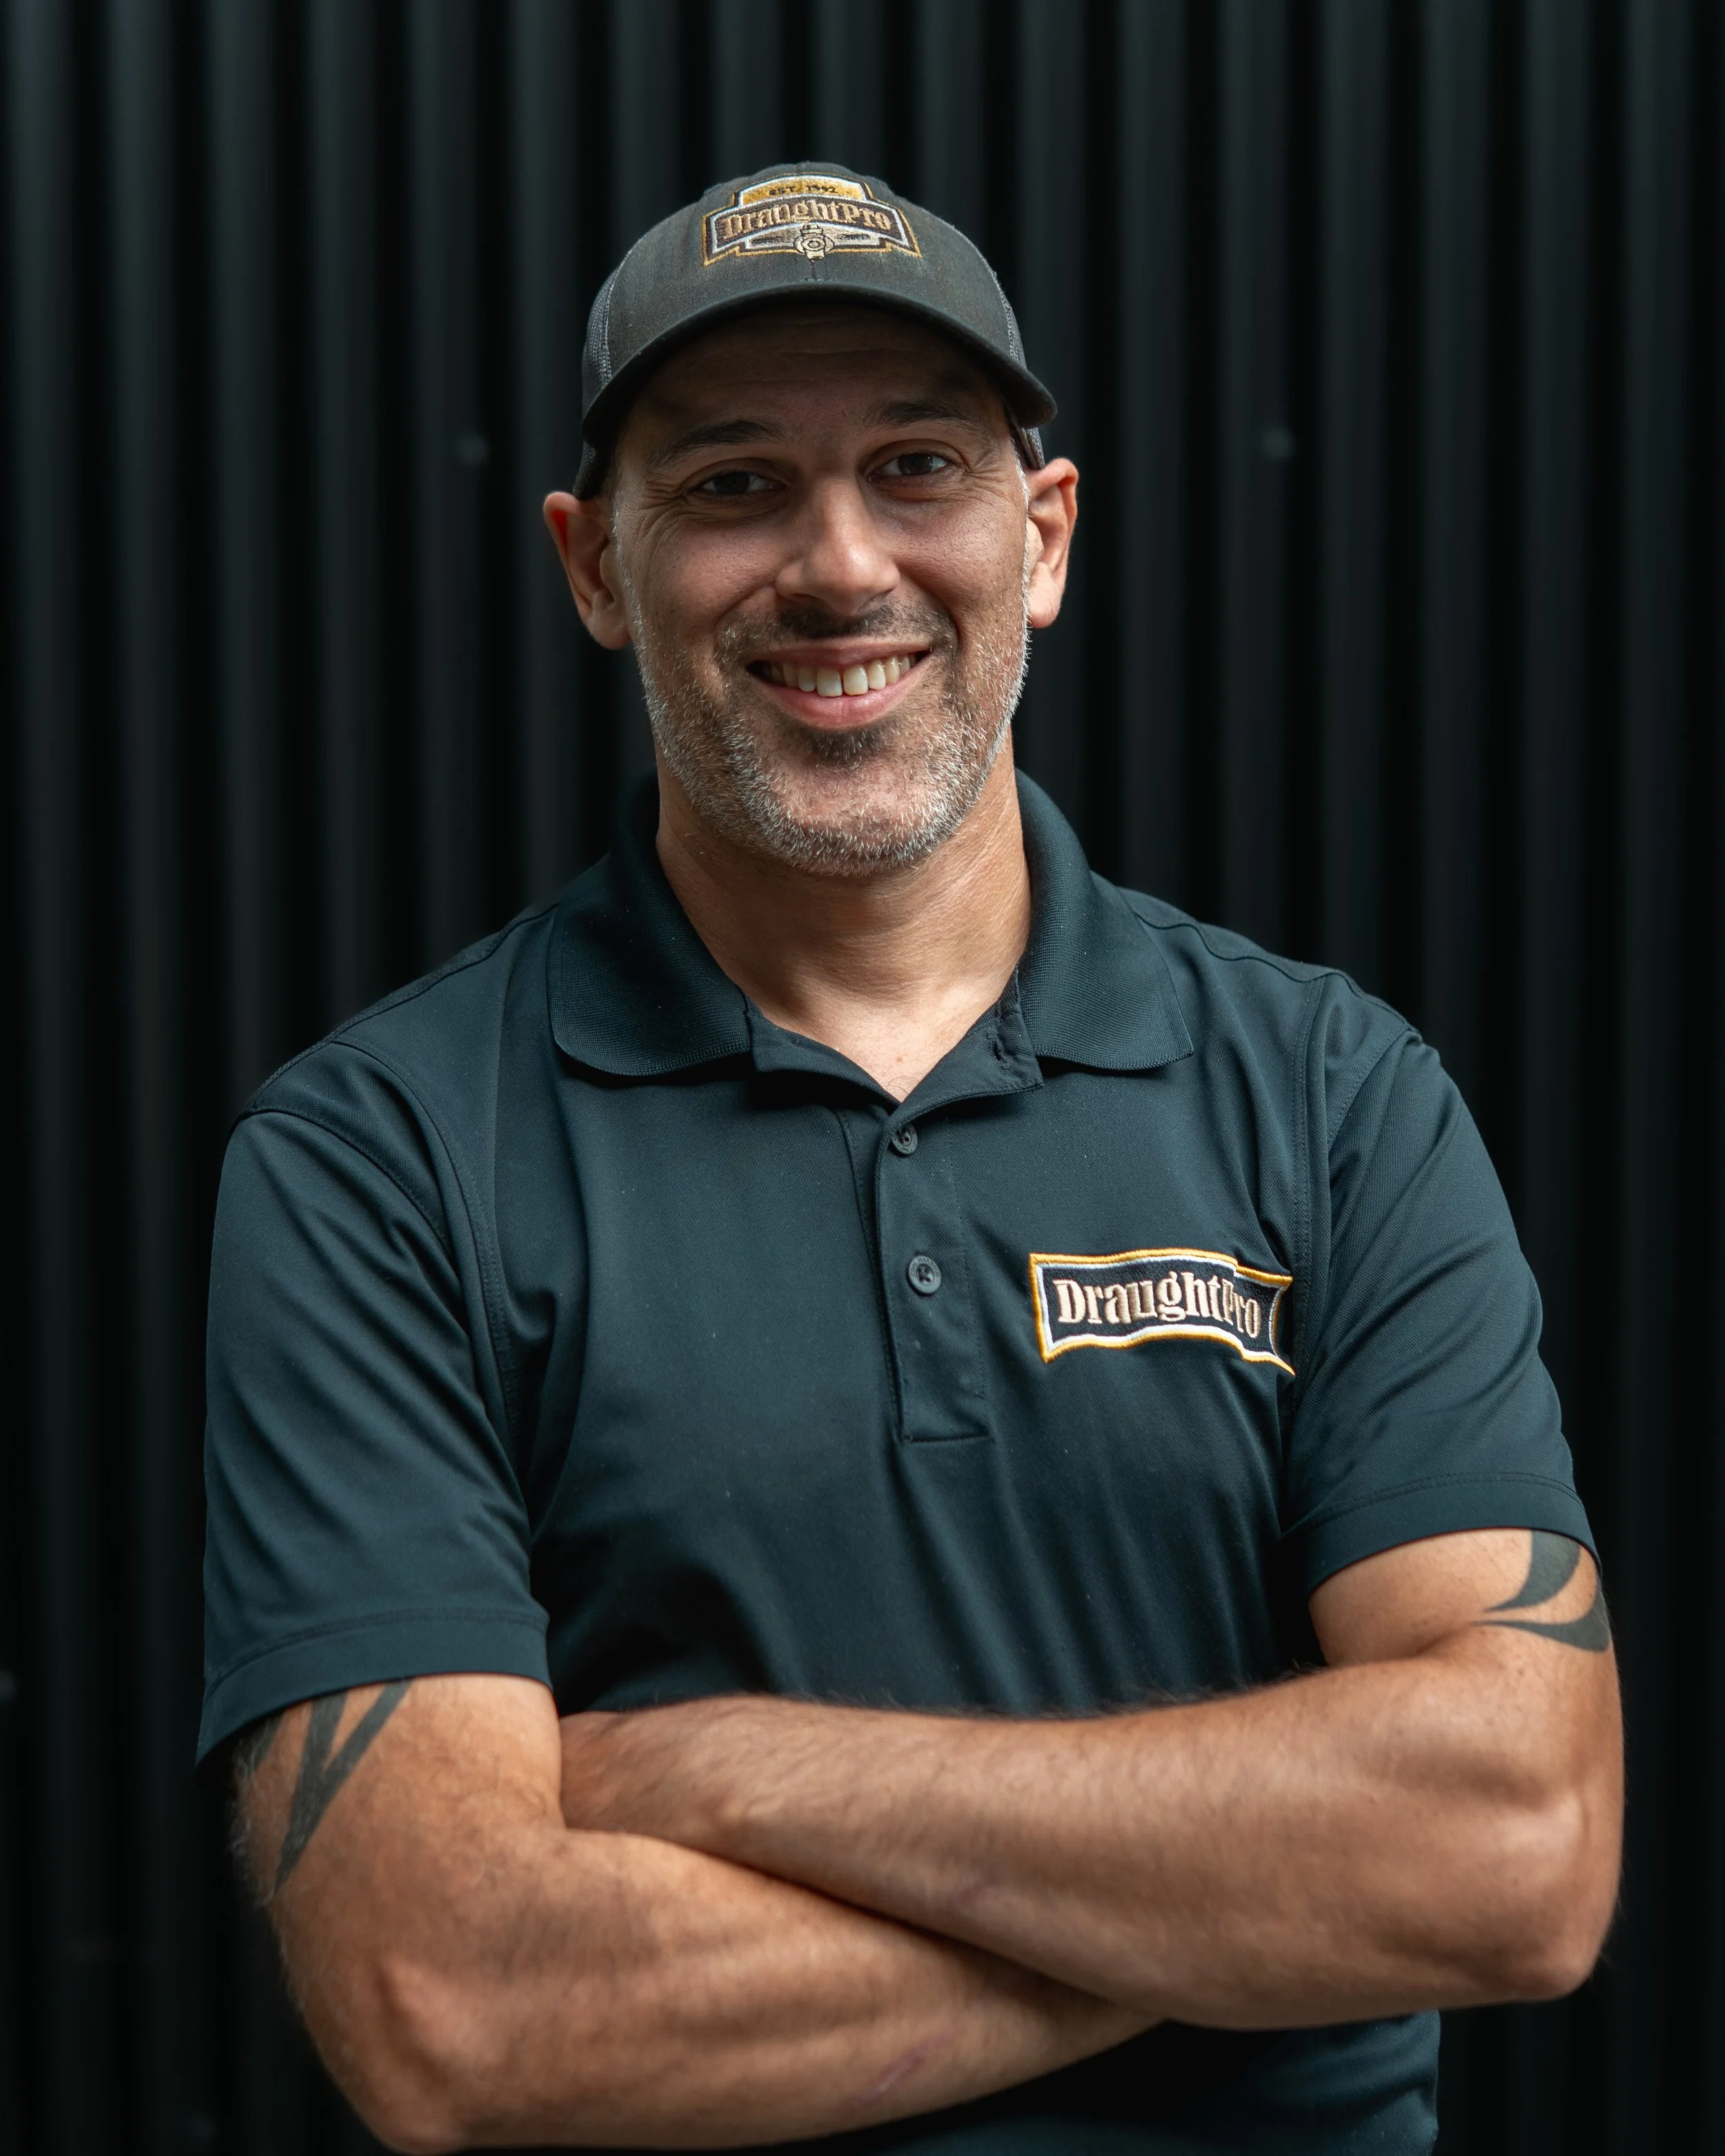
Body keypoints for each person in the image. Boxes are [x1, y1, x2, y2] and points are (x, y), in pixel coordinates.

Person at [202, 166, 1621, 2155]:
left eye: (918, 466)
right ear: (594, 567)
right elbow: (451, 1996)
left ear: (1039, 537)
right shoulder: (382, 1161)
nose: (841, 565)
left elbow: (1519, 1849)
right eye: (729, 487)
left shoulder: (1328, 1093)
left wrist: (707, 1772)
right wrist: (1275, 1885)